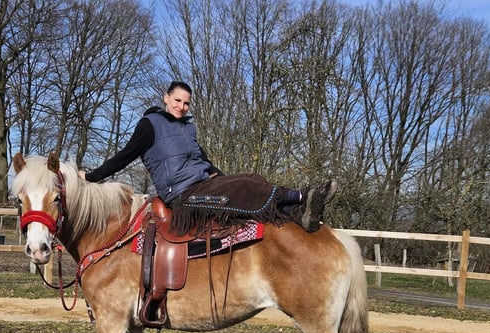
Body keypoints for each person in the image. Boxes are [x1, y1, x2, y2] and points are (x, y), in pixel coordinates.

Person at [82, 81, 335, 232]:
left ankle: (297, 211)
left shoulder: (187, 128)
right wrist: (92, 176)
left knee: (250, 178)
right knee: (245, 185)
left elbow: (204, 161)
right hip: (182, 195)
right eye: (177, 100)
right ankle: (300, 196)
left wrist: (227, 179)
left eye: (187, 103)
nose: (182, 107)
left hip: (202, 183)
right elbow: (125, 155)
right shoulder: (150, 124)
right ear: (166, 98)